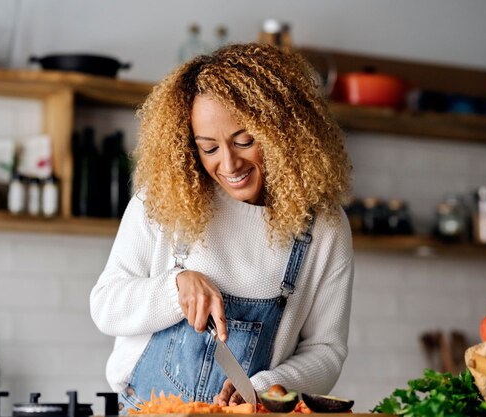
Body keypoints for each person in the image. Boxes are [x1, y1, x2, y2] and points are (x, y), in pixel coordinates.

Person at [90, 42, 354, 413]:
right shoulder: (165, 200)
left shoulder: (323, 227)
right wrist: (175, 286)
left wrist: (262, 387)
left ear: (282, 131)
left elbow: (325, 351)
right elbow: (106, 306)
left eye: (244, 141)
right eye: (208, 148)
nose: (229, 164)